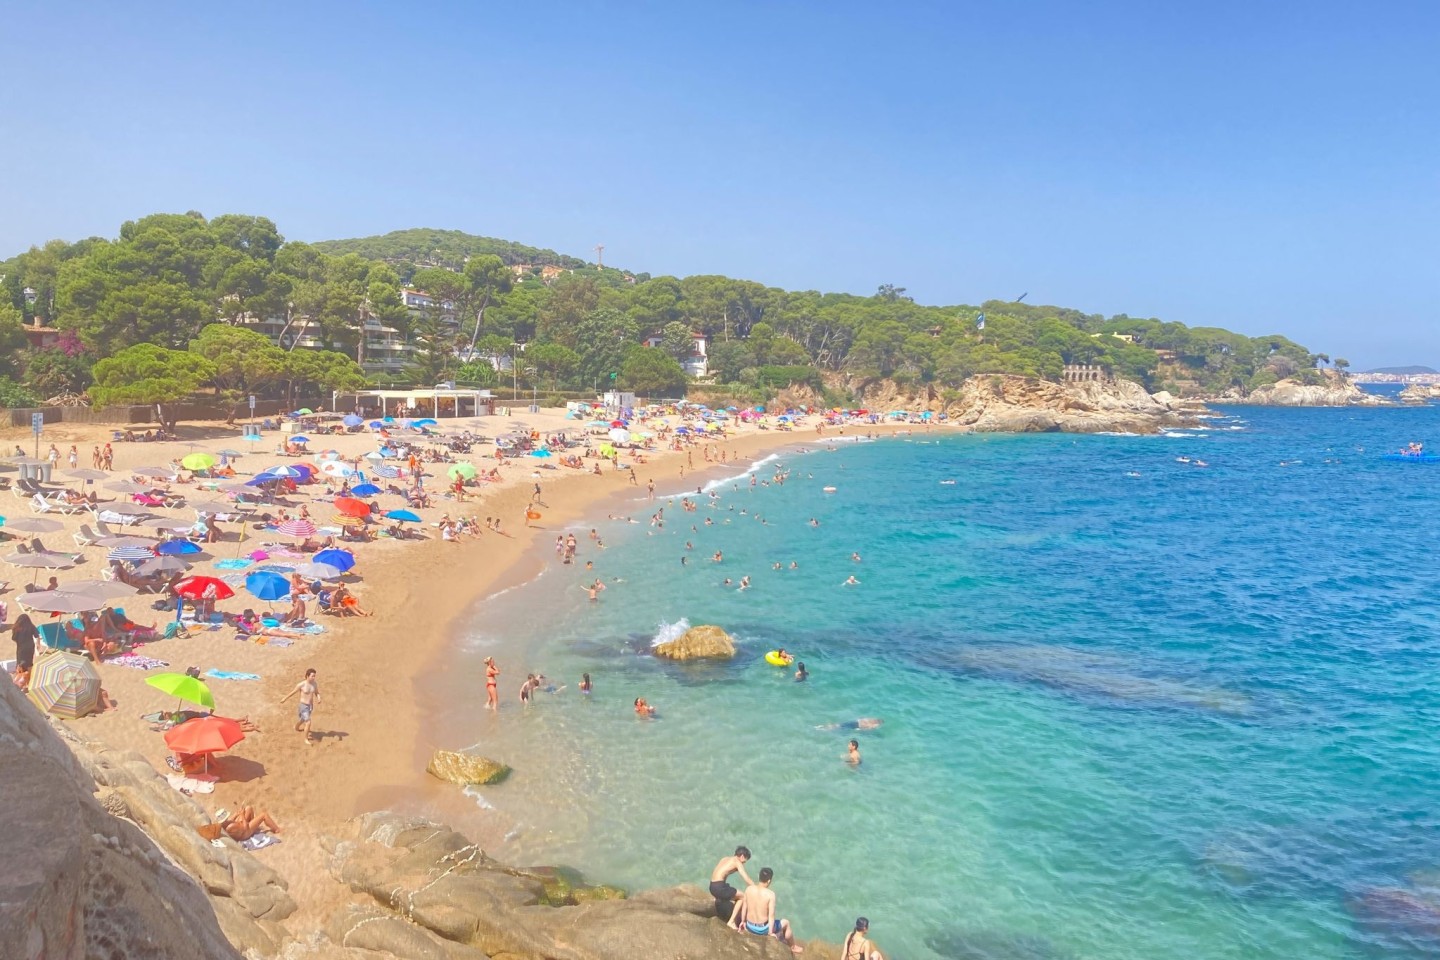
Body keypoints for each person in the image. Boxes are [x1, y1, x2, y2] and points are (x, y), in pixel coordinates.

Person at [732, 867, 801, 953]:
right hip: (762, 929)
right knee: (786, 923)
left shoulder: (749, 889)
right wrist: (770, 933)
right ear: (769, 881)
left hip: (749, 926)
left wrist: (743, 922)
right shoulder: (770, 894)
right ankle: (793, 947)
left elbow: (744, 907)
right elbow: (771, 916)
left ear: (758, 877)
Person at [709, 846, 753, 922]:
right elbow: (746, 878)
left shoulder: (725, 859)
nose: (743, 864)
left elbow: (720, 875)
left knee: (729, 889)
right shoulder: (737, 862)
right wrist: (756, 888)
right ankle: (731, 921)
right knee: (743, 896)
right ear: (742, 856)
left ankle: (719, 900)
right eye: (744, 861)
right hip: (719, 888)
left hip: (712, 886)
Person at [279, 668, 320, 743]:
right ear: (307, 676)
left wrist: (319, 698)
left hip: (310, 706)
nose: (314, 678)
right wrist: (284, 699)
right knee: (308, 722)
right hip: (303, 706)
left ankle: (296, 727)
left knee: (303, 719)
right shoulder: (301, 685)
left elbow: (317, 692)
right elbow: (293, 692)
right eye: (312, 676)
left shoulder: (314, 684)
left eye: (314, 676)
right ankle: (306, 739)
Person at [217, 805, 282, 842]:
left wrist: (237, 813)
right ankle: (277, 829)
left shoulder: (224, 825)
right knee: (264, 815)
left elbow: (231, 820)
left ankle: (254, 826)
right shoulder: (231, 826)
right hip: (245, 833)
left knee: (248, 808)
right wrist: (242, 815)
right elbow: (245, 827)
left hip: (240, 828)